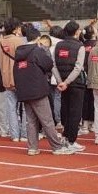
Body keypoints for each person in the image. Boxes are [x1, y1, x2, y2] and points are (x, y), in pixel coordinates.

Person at [14, 24, 78, 156]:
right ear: (38, 39)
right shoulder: (37, 51)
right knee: (47, 120)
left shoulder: (19, 52)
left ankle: (32, 147)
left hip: (24, 90)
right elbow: (48, 64)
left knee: (31, 120)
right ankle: (57, 146)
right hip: (37, 89)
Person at [53, 21, 88, 147]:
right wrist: (66, 82)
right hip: (76, 83)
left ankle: (65, 137)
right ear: (76, 32)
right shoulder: (80, 46)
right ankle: (71, 140)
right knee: (75, 112)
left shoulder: (58, 45)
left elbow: (53, 65)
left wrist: (60, 82)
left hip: (62, 83)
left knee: (66, 110)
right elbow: (78, 68)